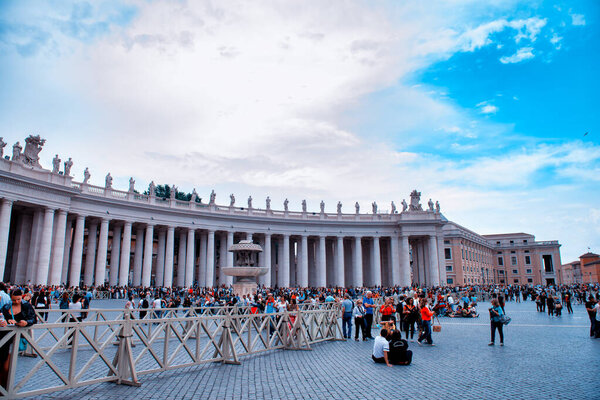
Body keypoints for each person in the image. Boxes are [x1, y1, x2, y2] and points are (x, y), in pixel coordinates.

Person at [0, 289, 37, 388]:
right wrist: (3, 321)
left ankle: (5, 388)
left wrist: (26, 322)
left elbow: (34, 319)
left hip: (17, 336)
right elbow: (2, 316)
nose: (16, 302)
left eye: (18, 299)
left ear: (22, 296)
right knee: (3, 360)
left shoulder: (26, 306)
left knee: (7, 362)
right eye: (13, 300)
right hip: (5, 335)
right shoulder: (6, 306)